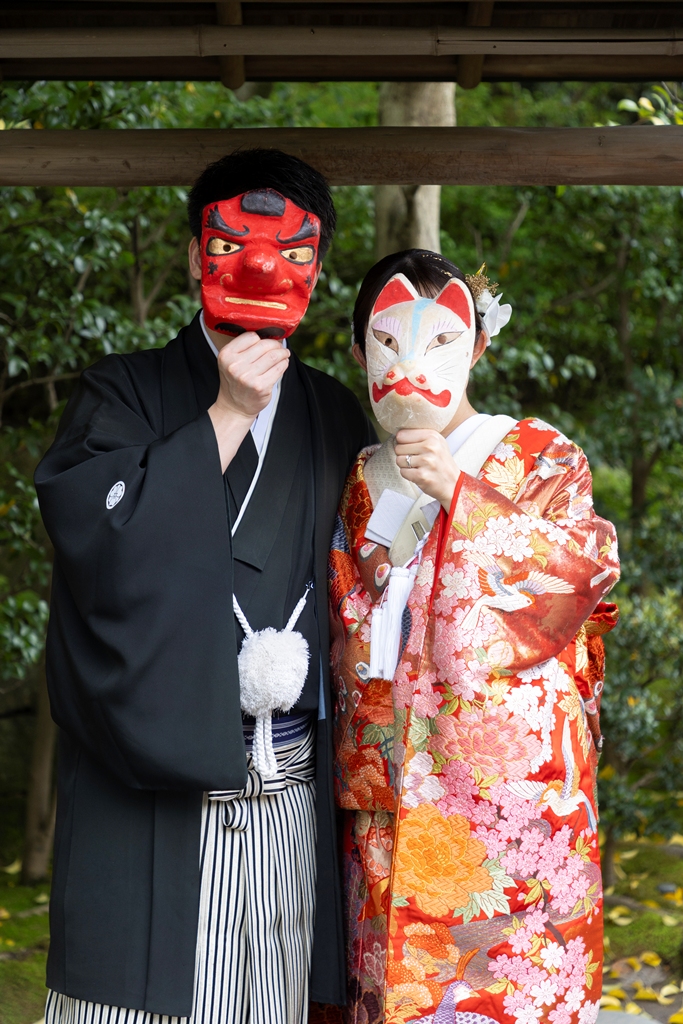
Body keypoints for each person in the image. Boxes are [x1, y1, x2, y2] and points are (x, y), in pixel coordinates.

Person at [35, 148, 375, 1024]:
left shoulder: (333, 412)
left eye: (293, 252)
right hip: (147, 792)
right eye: (228, 243)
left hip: (287, 790)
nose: (260, 268)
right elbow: (96, 540)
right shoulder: (123, 390)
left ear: (316, 269)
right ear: (196, 254)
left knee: (270, 1001)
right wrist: (226, 414)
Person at [328, 250, 620, 1024]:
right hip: (388, 795)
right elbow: (347, 627)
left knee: (507, 998)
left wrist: (458, 492)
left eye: (441, 340)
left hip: (508, 808)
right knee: (390, 994)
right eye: (386, 342)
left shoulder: (537, 454)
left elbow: (575, 582)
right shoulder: (358, 477)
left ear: (478, 347)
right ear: (358, 352)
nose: (411, 363)